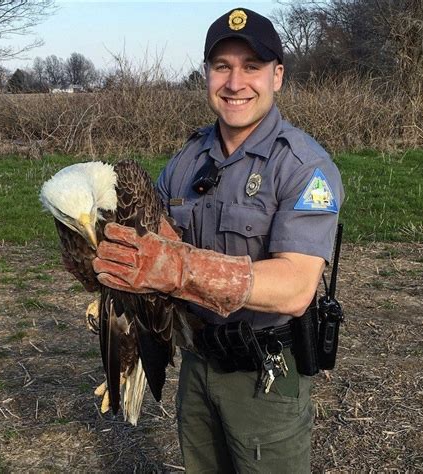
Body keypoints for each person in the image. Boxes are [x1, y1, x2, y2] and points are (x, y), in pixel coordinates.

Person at [93, 7, 344, 473]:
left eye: (252, 67)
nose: (235, 82)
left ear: (278, 76)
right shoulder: (185, 163)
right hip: (197, 364)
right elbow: (147, 253)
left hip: (264, 374)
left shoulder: (303, 166)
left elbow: (294, 287)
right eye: (222, 67)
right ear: (206, 74)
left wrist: (182, 268)